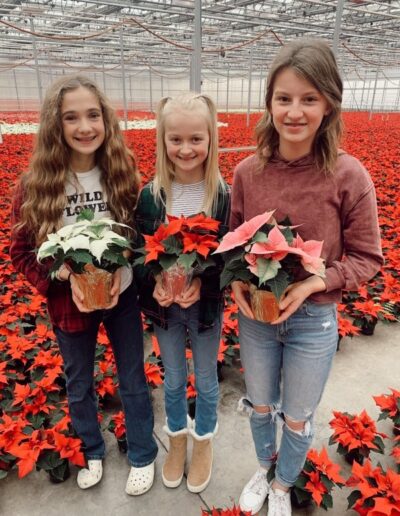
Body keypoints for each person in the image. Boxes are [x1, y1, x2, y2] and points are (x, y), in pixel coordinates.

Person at [230, 39, 383, 515]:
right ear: (269, 102)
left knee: (296, 416)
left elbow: (368, 258)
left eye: (308, 99)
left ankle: (283, 484)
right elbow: (233, 243)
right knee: (259, 404)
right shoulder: (247, 172)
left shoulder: (349, 175)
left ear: (329, 105)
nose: (294, 112)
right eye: (284, 98)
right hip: (257, 318)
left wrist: (316, 282)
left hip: (313, 322)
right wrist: (235, 281)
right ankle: (265, 467)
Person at [10, 75, 158, 495]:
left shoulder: (121, 174)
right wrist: (61, 275)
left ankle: (143, 453)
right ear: (54, 125)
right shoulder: (36, 185)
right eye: (71, 117)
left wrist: (125, 267)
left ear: (106, 120)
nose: (85, 126)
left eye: (93, 115)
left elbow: (139, 237)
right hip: (70, 305)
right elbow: (21, 252)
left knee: (132, 377)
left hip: (121, 296)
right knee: (79, 384)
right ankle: (92, 450)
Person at [134, 92, 230, 494]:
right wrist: (154, 283)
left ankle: (203, 440)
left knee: (205, 379)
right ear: (163, 141)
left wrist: (203, 285)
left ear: (210, 140)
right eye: (175, 139)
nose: (186, 148)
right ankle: (177, 439)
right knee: (173, 379)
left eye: (196, 139)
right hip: (165, 310)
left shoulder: (221, 195)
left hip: (204, 309)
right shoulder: (150, 195)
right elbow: (138, 253)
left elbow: (229, 257)